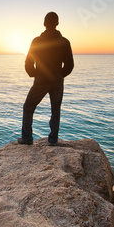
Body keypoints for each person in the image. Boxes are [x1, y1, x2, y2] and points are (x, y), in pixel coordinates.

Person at [18, 12, 74, 146]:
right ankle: (53, 140)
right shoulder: (64, 42)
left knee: (28, 107)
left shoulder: (37, 41)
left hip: (41, 80)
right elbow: (70, 65)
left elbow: (28, 62)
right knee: (55, 110)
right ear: (57, 23)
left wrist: (34, 74)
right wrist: (60, 75)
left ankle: (27, 138)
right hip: (57, 82)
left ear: (44, 23)